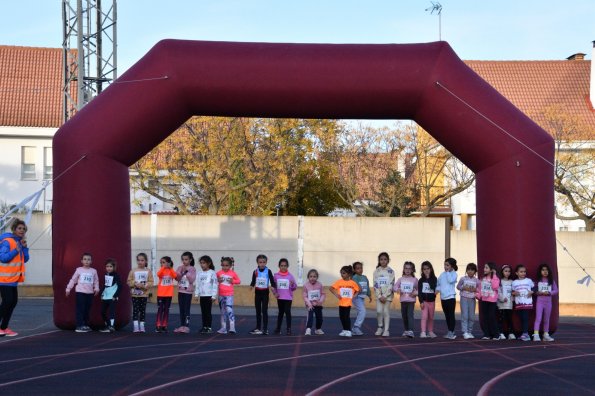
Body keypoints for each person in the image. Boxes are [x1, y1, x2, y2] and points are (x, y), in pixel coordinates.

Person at [0, 218, 29, 337]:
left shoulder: (19, 243)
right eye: (19, 228)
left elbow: (25, 259)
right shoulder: (7, 241)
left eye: (23, 229)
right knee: (7, 302)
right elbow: (3, 257)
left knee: (12, 302)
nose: (22, 230)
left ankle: (4, 327)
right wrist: (16, 251)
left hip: (13, 279)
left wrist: (24, 248)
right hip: (4, 279)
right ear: (14, 229)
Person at [65, 252, 100, 332]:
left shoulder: (94, 271)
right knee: (80, 309)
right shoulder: (79, 270)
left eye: (88, 259)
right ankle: (79, 325)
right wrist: (68, 288)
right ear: (81, 261)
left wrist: (96, 288)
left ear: (91, 261)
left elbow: (96, 281)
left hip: (90, 293)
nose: (86, 261)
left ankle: (85, 325)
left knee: (87, 309)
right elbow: (73, 280)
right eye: (85, 259)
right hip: (80, 292)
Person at [329, 265, 360, 337]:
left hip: (348, 303)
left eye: (343, 273)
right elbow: (331, 288)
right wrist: (336, 295)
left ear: (348, 274)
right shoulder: (339, 282)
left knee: (346, 317)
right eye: (341, 273)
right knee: (341, 317)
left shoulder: (352, 283)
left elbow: (358, 290)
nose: (342, 275)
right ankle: (345, 330)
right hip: (341, 303)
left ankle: (348, 330)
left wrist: (354, 296)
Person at [249, 254, 276, 335]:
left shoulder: (268, 271)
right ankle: (258, 328)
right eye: (260, 262)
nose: (262, 264)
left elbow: (272, 280)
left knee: (264, 311)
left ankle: (265, 329)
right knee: (258, 311)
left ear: (266, 262)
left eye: (264, 262)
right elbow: (253, 281)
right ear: (257, 262)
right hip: (257, 293)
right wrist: (251, 286)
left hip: (265, 294)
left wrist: (273, 286)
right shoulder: (255, 271)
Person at [127, 252, 154, 333]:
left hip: (144, 294)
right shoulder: (133, 271)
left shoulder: (148, 271)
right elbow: (128, 281)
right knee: (135, 310)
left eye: (142, 260)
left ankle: (142, 325)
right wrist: (135, 283)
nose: (140, 262)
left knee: (142, 310)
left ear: (145, 261)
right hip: (135, 294)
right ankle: (135, 326)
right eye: (138, 260)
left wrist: (144, 286)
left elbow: (151, 281)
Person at [533, 263, 558, 342]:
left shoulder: (551, 281)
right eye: (543, 270)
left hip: (548, 303)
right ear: (540, 271)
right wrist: (538, 292)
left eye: (546, 270)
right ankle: (536, 334)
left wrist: (549, 293)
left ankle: (546, 335)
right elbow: (534, 290)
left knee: (546, 319)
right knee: (538, 318)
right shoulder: (538, 281)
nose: (545, 271)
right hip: (540, 302)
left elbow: (556, 290)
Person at [272, 258, 297, 335]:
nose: (283, 267)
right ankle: (278, 328)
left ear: (287, 266)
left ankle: (288, 329)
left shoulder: (290, 276)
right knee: (280, 313)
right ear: (279, 266)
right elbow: (273, 287)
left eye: (285, 266)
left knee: (287, 312)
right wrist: (275, 293)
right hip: (280, 298)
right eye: (282, 265)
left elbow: (294, 287)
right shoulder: (276, 276)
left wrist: (292, 284)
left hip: (288, 298)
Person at [373, 252, 395, 337]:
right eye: (381, 259)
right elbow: (375, 284)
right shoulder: (376, 271)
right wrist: (379, 296)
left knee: (386, 311)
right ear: (379, 260)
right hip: (379, 296)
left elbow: (391, 284)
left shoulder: (391, 271)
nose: (383, 261)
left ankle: (386, 330)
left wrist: (385, 296)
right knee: (379, 311)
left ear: (388, 260)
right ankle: (380, 327)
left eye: (385, 259)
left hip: (387, 296)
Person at [174, 251, 197, 334]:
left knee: (187, 309)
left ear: (190, 260)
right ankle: (182, 325)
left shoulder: (192, 268)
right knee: (181, 309)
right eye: (183, 259)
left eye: (186, 259)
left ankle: (186, 326)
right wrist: (180, 273)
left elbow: (191, 280)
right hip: (181, 291)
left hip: (188, 292)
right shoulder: (180, 267)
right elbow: (177, 278)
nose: (184, 261)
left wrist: (187, 273)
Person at [394, 261, 418, 338]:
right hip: (403, 300)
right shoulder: (401, 279)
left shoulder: (414, 280)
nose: (407, 270)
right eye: (406, 268)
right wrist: (398, 290)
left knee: (410, 315)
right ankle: (406, 330)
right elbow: (395, 287)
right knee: (404, 315)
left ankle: (411, 331)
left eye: (409, 269)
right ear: (403, 269)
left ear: (412, 270)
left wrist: (415, 292)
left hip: (411, 300)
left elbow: (419, 289)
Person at [217, 257, 241, 334]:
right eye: (223, 265)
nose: (225, 267)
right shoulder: (218, 273)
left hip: (229, 295)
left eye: (227, 265)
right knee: (222, 311)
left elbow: (238, 281)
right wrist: (218, 280)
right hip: (221, 294)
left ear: (230, 266)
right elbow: (213, 280)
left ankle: (232, 327)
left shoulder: (232, 273)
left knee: (229, 310)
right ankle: (223, 328)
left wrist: (232, 281)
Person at [194, 255, 218, 334]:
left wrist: (214, 295)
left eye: (204, 263)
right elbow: (197, 284)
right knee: (203, 312)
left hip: (209, 296)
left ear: (209, 263)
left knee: (208, 312)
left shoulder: (212, 273)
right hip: (202, 296)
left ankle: (209, 327)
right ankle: (204, 326)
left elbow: (215, 284)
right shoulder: (199, 273)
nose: (202, 265)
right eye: (201, 263)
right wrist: (196, 294)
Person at [477, 262, 500, 340]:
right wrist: (478, 295)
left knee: (491, 317)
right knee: (485, 317)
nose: (484, 269)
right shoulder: (483, 279)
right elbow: (480, 289)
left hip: (492, 301)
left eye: (486, 268)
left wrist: (494, 275)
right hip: (484, 300)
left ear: (491, 270)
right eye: (484, 267)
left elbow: (495, 287)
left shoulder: (496, 279)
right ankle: (487, 334)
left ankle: (496, 334)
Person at [457, 263, 480, 340]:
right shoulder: (463, 279)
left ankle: (470, 331)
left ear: (475, 271)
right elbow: (458, 286)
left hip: (472, 299)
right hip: (464, 298)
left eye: (472, 270)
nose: (470, 271)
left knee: (471, 316)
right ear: (466, 270)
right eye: (468, 269)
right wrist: (463, 287)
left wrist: (475, 290)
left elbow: (479, 290)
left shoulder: (477, 280)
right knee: (465, 315)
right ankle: (465, 332)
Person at [437, 257, 458, 340]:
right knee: (447, 316)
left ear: (452, 266)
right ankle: (449, 331)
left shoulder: (454, 274)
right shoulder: (442, 274)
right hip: (443, 298)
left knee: (451, 315)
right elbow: (438, 283)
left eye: (447, 265)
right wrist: (437, 290)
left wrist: (448, 272)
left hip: (450, 298)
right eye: (445, 265)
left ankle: (452, 332)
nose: (445, 267)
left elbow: (450, 280)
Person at [511, 264, 534, 341]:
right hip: (519, 303)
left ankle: (526, 334)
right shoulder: (514, 282)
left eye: (524, 271)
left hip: (526, 302)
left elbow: (534, 288)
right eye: (521, 272)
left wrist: (531, 292)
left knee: (525, 318)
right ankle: (524, 333)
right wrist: (514, 293)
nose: (523, 273)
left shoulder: (529, 280)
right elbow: (512, 292)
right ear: (516, 273)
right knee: (521, 318)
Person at [100, 258, 122, 333]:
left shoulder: (116, 276)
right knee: (102, 311)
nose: (108, 268)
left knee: (111, 311)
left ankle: (111, 326)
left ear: (114, 267)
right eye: (107, 266)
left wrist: (115, 296)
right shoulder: (106, 275)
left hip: (112, 297)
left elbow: (120, 286)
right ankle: (107, 325)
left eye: (110, 266)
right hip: (106, 296)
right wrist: (102, 294)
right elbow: (105, 285)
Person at [155, 256, 176, 333]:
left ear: (168, 263)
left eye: (163, 262)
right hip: (161, 294)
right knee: (160, 309)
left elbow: (175, 276)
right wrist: (163, 267)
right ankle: (158, 324)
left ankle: (164, 324)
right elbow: (158, 274)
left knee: (166, 310)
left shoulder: (171, 271)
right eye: (161, 263)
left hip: (168, 294)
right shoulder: (162, 270)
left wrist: (170, 268)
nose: (162, 264)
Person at [418, 261, 437, 338]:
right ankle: (423, 332)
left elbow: (433, 287)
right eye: (424, 269)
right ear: (422, 270)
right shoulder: (421, 280)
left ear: (431, 269)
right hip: (424, 301)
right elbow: (419, 291)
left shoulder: (434, 279)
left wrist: (429, 278)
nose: (426, 270)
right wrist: (421, 301)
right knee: (424, 316)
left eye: (428, 269)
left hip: (432, 301)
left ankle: (430, 331)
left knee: (431, 317)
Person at [302, 269, 325, 335]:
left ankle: (318, 329)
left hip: (318, 304)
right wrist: (309, 304)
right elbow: (305, 296)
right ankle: (308, 329)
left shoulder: (320, 285)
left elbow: (323, 294)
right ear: (308, 277)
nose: (312, 278)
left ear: (317, 277)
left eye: (314, 276)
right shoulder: (306, 285)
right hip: (310, 304)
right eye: (311, 276)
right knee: (310, 317)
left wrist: (320, 301)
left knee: (320, 318)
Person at [351, 261, 371, 336]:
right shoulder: (354, 277)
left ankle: (354, 330)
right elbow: (356, 284)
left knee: (360, 312)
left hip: (362, 297)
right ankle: (356, 327)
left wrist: (369, 295)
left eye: (361, 268)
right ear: (354, 270)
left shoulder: (365, 277)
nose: (360, 270)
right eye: (358, 268)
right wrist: (359, 288)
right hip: (356, 297)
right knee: (363, 311)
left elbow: (367, 287)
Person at [497, 264, 514, 340]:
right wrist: (502, 298)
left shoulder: (512, 282)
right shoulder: (500, 281)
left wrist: (513, 298)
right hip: (501, 304)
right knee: (501, 319)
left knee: (509, 319)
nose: (507, 273)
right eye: (506, 271)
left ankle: (511, 333)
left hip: (509, 304)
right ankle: (501, 333)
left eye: (509, 271)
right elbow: (498, 291)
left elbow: (513, 291)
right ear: (502, 272)